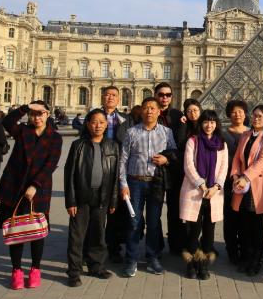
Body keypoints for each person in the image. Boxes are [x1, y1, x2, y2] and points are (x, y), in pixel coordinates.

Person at [0, 101, 63, 290]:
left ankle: (35, 269)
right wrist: (25, 107)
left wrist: (35, 184)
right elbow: (7, 121)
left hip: (38, 188)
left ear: (48, 114)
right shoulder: (23, 131)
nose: (36, 118)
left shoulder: (55, 137)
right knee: (16, 231)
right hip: (15, 187)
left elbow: (50, 164)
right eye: (33, 114)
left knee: (37, 233)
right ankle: (16, 270)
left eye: (40, 114)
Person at [119, 97, 180, 277]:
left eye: (153, 108)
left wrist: (167, 159)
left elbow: (174, 152)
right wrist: (123, 185)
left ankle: (152, 258)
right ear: (141, 110)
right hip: (135, 182)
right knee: (134, 222)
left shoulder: (166, 132)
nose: (149, 111)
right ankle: (132, 259)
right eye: (146, 108)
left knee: (154, 223)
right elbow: (123, 160)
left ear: (158, 111)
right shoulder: (131, 132)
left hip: (156, 182)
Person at [64, 109, 119, 287]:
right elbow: (69, 174)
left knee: (98, 233)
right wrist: (70, 201)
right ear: (87, 124)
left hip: (102, 197)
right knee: (76, 236)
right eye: (94, 122)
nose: (98, 125)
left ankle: (96, 266)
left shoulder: (113, 146)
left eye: (101, 122)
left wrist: (113, 199)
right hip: (81, 197)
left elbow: (116, 176)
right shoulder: (78, 145)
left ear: (106, 124)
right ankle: (74, 271)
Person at [84, 86, 134, 264]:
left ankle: (113, 248)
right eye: (107, 95)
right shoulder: (93, 117)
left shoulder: (127, 119)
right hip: (97, 166)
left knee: (115, 212)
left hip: (118, 168)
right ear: (102, 97)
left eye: (114, 95)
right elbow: (83, 141)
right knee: (93, 211)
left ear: (119, 99)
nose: (110, 98)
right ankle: (89, 249)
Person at [179, 109, 228, 280]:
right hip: (195, 190)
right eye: (206, 122)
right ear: (201, 124)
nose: (209, 125)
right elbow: (188, 165)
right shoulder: (193, 141)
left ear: (216, 124)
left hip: (213, 192)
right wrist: (201, 185)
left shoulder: (221, 143)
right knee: (194, 229)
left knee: (209, 229)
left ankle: (204, 262)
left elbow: (223, 168)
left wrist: (215, 187)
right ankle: (192, 262)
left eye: (212, 122)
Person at [230, 105, 263, 277]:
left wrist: (245, 177)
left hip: (259, 184)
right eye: (254, 115)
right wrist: (235, 175)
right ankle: (249, 257)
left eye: (260, 116)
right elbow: (237, 158)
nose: (256, 119)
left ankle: (257, 259)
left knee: (257, 224)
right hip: (243, 184)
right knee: (245, 223)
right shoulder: (246, 135)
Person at [154, 83, 186, 256]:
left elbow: (182, 143)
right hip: (154, 166)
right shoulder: (150, 112)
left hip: (174, 167)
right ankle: (156, 245)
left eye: (168, 94)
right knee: (154, 210)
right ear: (155, 95)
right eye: (161, 94)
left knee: (175, 209)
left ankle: (176, 242)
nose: (165, 97)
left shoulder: (177, 115)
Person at [222, 100, 248, 265]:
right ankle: (232, 250)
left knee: (246, 217)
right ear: (228, 115)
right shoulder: (223, 135)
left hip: (248, 181)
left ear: (245, 114)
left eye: (240, 111)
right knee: (231, 217)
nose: (237, 115)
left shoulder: (252, 133)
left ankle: (245, 249)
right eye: (233, 111)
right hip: (228, 181)